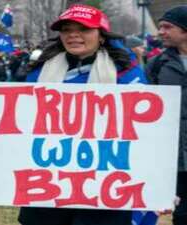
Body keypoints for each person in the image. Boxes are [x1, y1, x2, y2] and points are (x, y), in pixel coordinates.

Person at [19, 4, 147, 225]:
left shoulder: (126, 71)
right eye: (67, 29)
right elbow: (18, 119)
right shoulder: (40, 69)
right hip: (48, 183)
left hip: (104, 184)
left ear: (101, 35)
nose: (73, 35)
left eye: (84, 29)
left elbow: (145, 131)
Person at [145, 5, 187, 225]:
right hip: (175, 155)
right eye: (160, 27)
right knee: (181, 213)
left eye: (167, 27)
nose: (160, 32)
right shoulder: (156, 64)